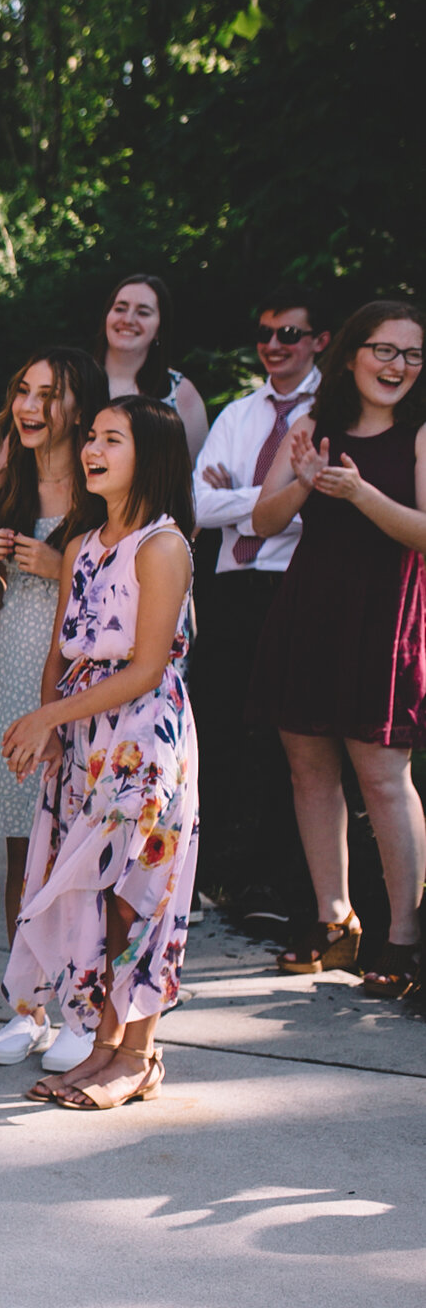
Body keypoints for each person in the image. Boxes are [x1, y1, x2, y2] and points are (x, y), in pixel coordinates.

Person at [1, 396, 200, 1108]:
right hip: (87, 736)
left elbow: (146, 666)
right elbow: (62, 647)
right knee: (91, 890)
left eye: (112, 438)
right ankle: (106, 1045)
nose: (92, 448)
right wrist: (50, 722)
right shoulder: (82, 541)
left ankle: (139, 1053)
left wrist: (52, 711)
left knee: (138, 892)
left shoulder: (163, 545)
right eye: (91, 436)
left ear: (151, 454)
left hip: (143, 735)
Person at [244, 302, 426, 998]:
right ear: (351, 354)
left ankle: (403, 937)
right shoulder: (313, 423)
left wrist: (357, 492)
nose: (396, 365)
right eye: (384, 349)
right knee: (308, 767)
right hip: (312, 607)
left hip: (387, 613)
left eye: (411, 354)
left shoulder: (417, 433)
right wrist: (303, 480)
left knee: (383, 776)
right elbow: (262, 519)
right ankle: (334, 918)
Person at [0, 350, 101, 1067]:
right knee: (24, 837)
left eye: (51, 393)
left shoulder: (104, 480)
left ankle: (85, 1005)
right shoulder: (8, 473)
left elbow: (126, 581)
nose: (31, 404)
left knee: (83, 841)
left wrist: (61, 565)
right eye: (24, 390)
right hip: (15, 657)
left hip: (83, 670)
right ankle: (25, 1004)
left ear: (83, 407)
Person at [190, 289, 332, 927]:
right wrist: (274, 497)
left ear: (320, 340)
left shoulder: (334, 411)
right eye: (266, 334)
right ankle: (214, 873)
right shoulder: (240, 414)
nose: (275, 346)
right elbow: (195, 504)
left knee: (286, 739)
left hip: (294, 583)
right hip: (229, 584)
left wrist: (240, 496)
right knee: (215, 726)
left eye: (291, 334)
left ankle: (275, 885)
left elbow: (319, 512)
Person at [101, 273, 210, 456]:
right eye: (120, 308)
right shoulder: (75, 380)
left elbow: (194, 473)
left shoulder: (179, 392)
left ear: (160, 329)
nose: (128, 319)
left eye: (143, 312)